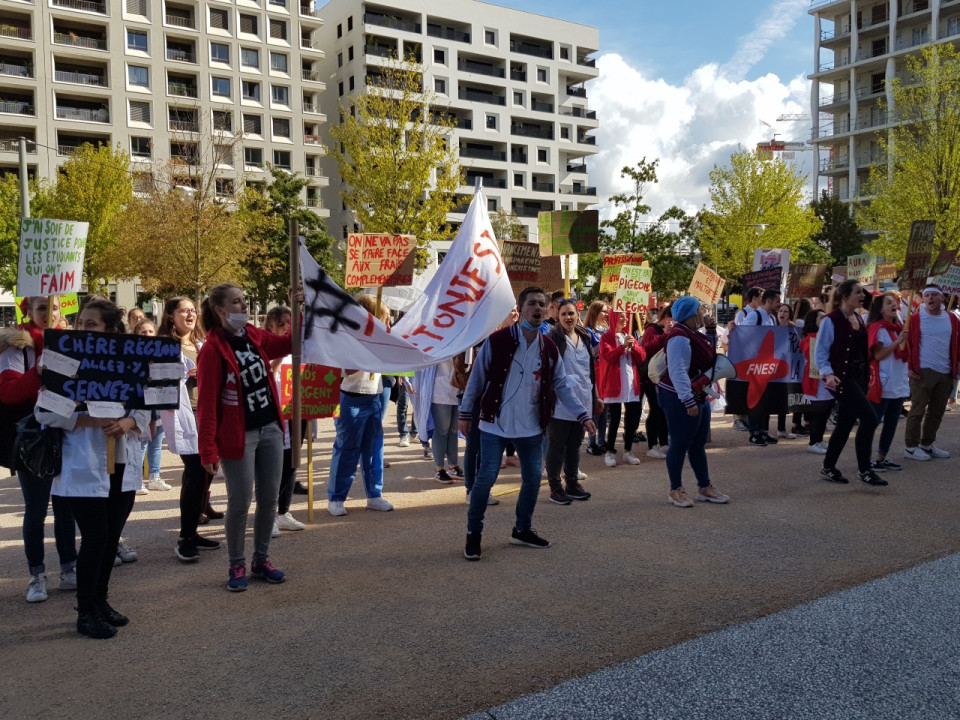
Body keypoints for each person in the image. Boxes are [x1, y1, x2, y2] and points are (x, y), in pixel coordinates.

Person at [37, 298, 150, 638]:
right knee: (95, 536)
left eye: (92, 325)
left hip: (120, 462)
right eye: (81, 323)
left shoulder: (130, 366)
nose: (84, 329)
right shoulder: (63, 364)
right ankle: (85, 612)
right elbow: (45, 414)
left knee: (111, 536)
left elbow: (147, 409)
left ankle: (100, 602)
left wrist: (129, 420)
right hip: (83, 464)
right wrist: (88, 419)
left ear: (112, 332)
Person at [458, 287, 597, 561]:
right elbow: (477, 378)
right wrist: (464, 413)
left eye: (542, 304)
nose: (537, 308)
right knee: (485, 480)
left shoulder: (547, 347)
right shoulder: (497, 341)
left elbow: (561, 384)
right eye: (531, 303)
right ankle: (473, 534)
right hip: (494, 424)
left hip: (531, 426)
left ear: (547, 312)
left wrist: (583, 413)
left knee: (533, 479)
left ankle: (522, 529)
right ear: (521, 309)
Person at [197, 284, 291, 591]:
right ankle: (236, 564)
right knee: (240, 502)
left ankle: (260, 560)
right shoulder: (212, 351)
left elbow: (291, 342)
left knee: (269, 500)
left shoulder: (254, 335)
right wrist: (207, 450)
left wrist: (298, 307)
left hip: (270, 429)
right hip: (239, 436)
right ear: (221, 311)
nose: (244, 306)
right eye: (237, 303)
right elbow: (208, 405)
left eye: (245, 300)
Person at [0, 296, 77, 603]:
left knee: (66, 505)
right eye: (42, 307)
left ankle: (69, 568)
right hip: (34, 439)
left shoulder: (71, 342)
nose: (49, 313)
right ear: (28, 311)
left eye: (55, 307)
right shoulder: (16, 345)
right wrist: (40, 371)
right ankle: (36, 575)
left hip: (69, 433)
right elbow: (8, 393)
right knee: (36, 509)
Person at [158, 297, 222, 564]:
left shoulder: (201, 344)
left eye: (193, 310)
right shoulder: (162, 346)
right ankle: (185, 538)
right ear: (171, 315)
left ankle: (193, 531)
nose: (190, 314)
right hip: (185, 415)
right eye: (184, 310)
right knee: (195, 471)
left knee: (205, 473)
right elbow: (157, 380)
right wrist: (187, 375)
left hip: (206, 414)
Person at [656, 296, 729, 508]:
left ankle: (704, 487)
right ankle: (675, 489)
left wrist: (713, 332)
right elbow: (678, 371)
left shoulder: (692, 333)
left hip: (697, 394)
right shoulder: (679, 336)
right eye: (700, 309)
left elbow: (708, 357)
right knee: (679, 444)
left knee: (697, 444)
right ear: (690, 314)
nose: (703, 312)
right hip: (681, 397)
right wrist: (688, 402)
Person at [327, 294, 394, 517]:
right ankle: (336, 498)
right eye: (383, 316)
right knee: (347, 449)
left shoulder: (379, 336)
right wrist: (367, 352)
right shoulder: (349, 337)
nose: (386, 321)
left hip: (374, 397)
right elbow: (346, 370)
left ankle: (374, 494)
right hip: (351, 398)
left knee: (374, 450)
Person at [813, 280, 885, 486]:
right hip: (842, 380)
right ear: (845, 297)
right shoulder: (831, 320)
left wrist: (867, 379)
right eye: (858, 292)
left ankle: (828, 468)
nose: (862, 296)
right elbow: (821, 351)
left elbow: (861, 352)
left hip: (858, 379)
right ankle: (865, 470)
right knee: (870, 419)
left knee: (844, 425)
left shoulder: (858, 318)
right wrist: (827, 374)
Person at [545, 298, 599, 504]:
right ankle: (555, 488)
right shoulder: (552, 338)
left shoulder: (585, 337)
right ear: (557, 317)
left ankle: (573, 483)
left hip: (583, 399)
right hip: (560, 402)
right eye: (564, 314)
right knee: (557, 445)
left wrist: (596, 397)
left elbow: (589, 372)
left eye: (571, 313)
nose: (568, 317)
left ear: (578, 316)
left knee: (575, 444)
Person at [903, 284, 960, 460]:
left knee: (937, 411)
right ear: (923, 299)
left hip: (945, 371)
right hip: (923, 371)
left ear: (942, 298)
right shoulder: (915, 319)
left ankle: (927, 444)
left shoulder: (952, 319)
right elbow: (908, 346)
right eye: (927, 295)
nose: (930, 299)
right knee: (917, 410)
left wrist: (956, 368)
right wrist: (909, 368)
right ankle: (911, 447)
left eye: (934, 295)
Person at [262, 306, 306, 533]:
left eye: (291, 323)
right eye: (282, 324)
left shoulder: (300, 349)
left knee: (292, 463)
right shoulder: (266, 346)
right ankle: (267, 515)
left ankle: (283, 511)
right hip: (274, 413)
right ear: (270, 326)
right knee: (272, 466)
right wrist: (278, 360)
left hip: (297, 412)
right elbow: (267, 373)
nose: (288, 328)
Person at [866, 292, 909, 472]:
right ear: (880, 309)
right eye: (888, 302)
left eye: (895, 302)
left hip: (898, 381)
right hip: (883, 383)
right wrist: (897, 342)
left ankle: (881, 458)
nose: (894, 305)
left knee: (892, 422)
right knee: (873, 422)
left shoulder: (898, 327)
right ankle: (865, 459)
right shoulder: (878, 328)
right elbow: (878, 354)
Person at [598, 310, 646, 467]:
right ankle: (610, 451)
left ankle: (628, 451)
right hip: (615, 384)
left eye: (626, 317)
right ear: (614, 318)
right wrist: (622, 347)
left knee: (631, 419)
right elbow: (608, 357)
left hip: (631, 384)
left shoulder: (629, 335)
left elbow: (642, 357)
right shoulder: (607, 337)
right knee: (615, 418)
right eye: (621, 317)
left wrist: (634, 347)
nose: (625, 319)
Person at [131, 319, 171, 494]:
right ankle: (136, 479)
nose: (147, 335)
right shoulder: (132, 355)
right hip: (142, 406)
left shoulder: (163, 354)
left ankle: (154, 476)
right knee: (142, 443)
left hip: (159, 404)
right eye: (143, 332)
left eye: (150, 332)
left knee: (156, 442)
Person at [745, 289, 780, 447]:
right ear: (769, 301)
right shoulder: (755, 315)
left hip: (768, 364)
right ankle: (754, 432)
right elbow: (742, 334)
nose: (778, 304)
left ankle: (764, 431)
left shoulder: (772, 317)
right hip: (756, 364)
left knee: (766, 398)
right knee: (756, 399)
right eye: (777, 301)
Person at [800, 309, 834, 455]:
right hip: (816, 381)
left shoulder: (825, 336)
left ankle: (819, 440)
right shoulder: (809, 339)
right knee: (819, 413)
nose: (825, 320)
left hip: (826, 379)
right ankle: (813, 442)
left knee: (825, 412)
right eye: (821, 318)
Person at [640, 303, 672, 458]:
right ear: (666, 317)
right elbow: (647, 349)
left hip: (664, 376)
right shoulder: (652, 329)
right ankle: (652, 445)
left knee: (663, 410)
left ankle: (664, 443)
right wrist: (665, 334)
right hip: (650, 378)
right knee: (655, 410)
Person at [583, 300, 610, 455]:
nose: (606, 314)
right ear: (595, 312)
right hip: (595, 372)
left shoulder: (606, 329)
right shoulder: (588, 331)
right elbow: (591, 353)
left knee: (605, 410)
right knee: (596, 409)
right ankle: (591, 442)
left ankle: (602, 440)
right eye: (603, 311)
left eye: (607, 311)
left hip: (606, 373)